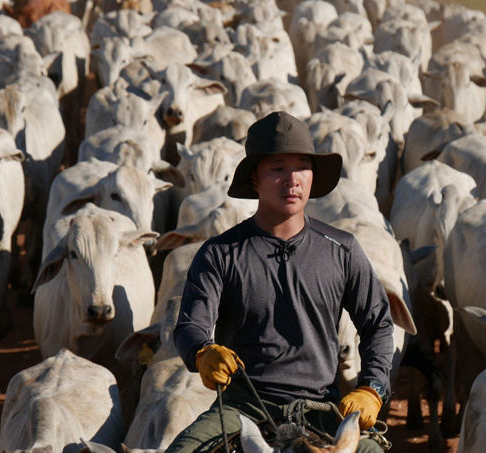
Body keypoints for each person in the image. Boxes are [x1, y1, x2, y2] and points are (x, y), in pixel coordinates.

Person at [167, 111, 398, 453]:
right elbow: (190, 326)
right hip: (240, 408)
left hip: (321, 408)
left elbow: (378, 324)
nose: (293, 180)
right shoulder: (219, 253)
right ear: (255, 179)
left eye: (302, 166)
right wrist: (202, 353)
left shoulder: (343, 249)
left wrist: (373, 388)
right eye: (278, 168)